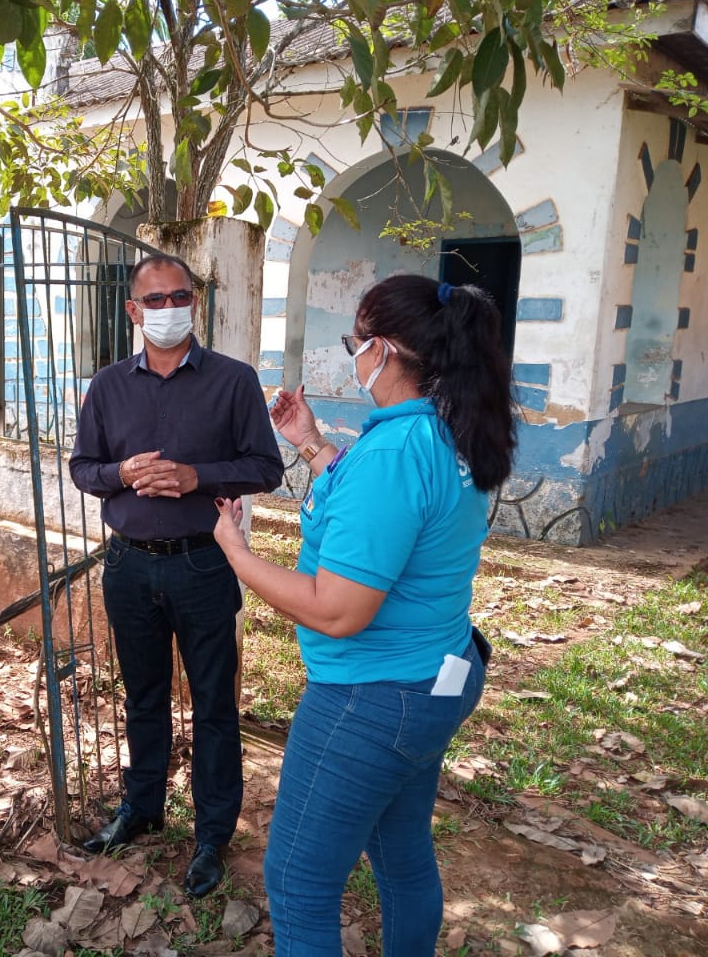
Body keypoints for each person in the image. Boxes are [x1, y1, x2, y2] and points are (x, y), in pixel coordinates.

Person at [213, 274, 515, 954]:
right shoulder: (447, 432)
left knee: (297, 881)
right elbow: (394, 520)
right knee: (402, 852)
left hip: (373, 698)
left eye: (357, 340)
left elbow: (338, 611)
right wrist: (316, 448)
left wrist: (237, 553)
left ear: (384, 349)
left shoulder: (394, 453)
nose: (353, 354)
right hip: (442, 674)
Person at [68, 253, 283, 898]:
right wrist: (122, 475)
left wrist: (198, 477)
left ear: (196, 304)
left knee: (214, 704)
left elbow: (265, 468)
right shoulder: (107, 387)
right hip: (129, 566)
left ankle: (213, 833)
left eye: (178, 298)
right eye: (153, 301)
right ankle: (142, 808)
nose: (167, 311)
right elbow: (83, 469)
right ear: (132, 312)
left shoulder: (233, 381)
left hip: (201, 563)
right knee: (142, 697)